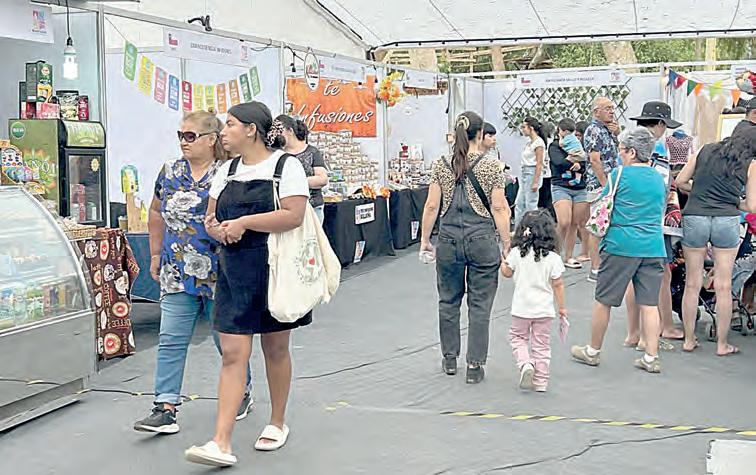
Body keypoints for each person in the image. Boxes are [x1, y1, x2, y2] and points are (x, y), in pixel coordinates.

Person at [185, 102, 310, 467]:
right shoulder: (226, 170)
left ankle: (277, 421)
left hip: (274, 268)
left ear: (251, 130)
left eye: (230, 125)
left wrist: (244, 223)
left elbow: (294, 215)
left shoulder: (286, 167)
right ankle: (220, 442)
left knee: (276, 348)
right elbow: (210, 217)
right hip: (233, 269)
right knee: (233, 353)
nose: (223, 132)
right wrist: (218, 230)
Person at [133, 111, 253, 435]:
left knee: (225, 340)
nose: (183, 142)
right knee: (171, 338)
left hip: (221, 270)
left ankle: (242, 388)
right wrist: (155, 253)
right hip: (176, 268)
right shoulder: (170, 171)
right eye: (180, 135)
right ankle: (165, 406)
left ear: (211, 139)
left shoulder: (229, 172)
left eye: (190, 136)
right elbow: (156, 211)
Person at [420, 111, 511, 384]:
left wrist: (425, 239)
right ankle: (474, 364)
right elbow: (499, 208)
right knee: (480, 305)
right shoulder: (492, 166)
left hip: (448, 239)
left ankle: (450, 358)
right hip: (482, 239)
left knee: (448, 300)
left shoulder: (441, 164)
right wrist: (507, 243)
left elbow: (432, 205)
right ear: (480, 134)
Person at [572, 127, 667, 374]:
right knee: (649, 303)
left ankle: (592, 350)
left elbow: (604, 205)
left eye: (622, 150)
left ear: (632, 152)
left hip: (621, 244)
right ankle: (651, 356)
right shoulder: (659, 177)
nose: (620, 154)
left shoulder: (618, 175)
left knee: (603, 300)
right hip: (653, 245)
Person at [675, 128, 756, 356]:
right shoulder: (751, 164)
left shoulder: (704, 150)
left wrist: (700, 191)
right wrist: (732, 202)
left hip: (695, 216)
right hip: (726, 220)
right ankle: (722, 344)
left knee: (692, 283)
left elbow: (680, 181)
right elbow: (752, 206)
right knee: (724, 285)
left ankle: (689, 340)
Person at [624, 101, 685, 350]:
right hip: (654, 224)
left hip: (629, 221)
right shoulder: (656, 148)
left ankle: (633, 332)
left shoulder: (628, 145)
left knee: (632, 277)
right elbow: (661, 189)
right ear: (660, 124)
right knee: (660, 276)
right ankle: (663, 326)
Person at [501, 210, 566, 393]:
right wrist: (562, 308)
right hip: (544, 310)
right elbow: (558, 284)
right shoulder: (553, 258)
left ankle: (525, 363)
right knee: (541, 345)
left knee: (517, 337)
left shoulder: (516, 253)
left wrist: (503, 261)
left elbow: (507, 273)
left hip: (521, 308)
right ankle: (541, 381)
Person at [583, 97, 620, 283]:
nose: (611, 111)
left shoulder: (608, 130)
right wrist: (605, 185)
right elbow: (594, 160)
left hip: (610, 183)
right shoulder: (594, 130)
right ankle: (595, 268)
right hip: (599, 186)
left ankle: (604, 265)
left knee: (609, 225)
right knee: (598, 226)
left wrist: (617, 133)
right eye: (607, 108)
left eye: (612, 108)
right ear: (596, 111)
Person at [549, 119, 590, 269]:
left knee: (575, 223)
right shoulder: (554, 146)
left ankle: (569, 256)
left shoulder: (579, 145)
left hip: (580, 187)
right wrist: (574, 164)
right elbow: (558, 163)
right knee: (564, 221)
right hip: (561, 185)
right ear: (559, 131)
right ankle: (554, 253)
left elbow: (585, 164)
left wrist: (579, 165)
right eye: (565, 132)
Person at [276, 115, 328, 223]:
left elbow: (322, 179)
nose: (277, 135)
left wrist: (294, 182)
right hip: (285, 210)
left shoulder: (312, 152)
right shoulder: (278, 154)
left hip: (312, 207)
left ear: (290, 131)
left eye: (280, 131)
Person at [515, 117, 547, 227]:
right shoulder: (529, 143)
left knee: (530, 203)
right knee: (520, 203)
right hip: (524, 171)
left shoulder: (539, 143)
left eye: (524, 127)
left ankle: (533, 228)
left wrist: (536, 181)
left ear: (531, 128)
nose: (522, 130)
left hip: (532, 172)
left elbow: (539, 163)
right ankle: (519, 228)